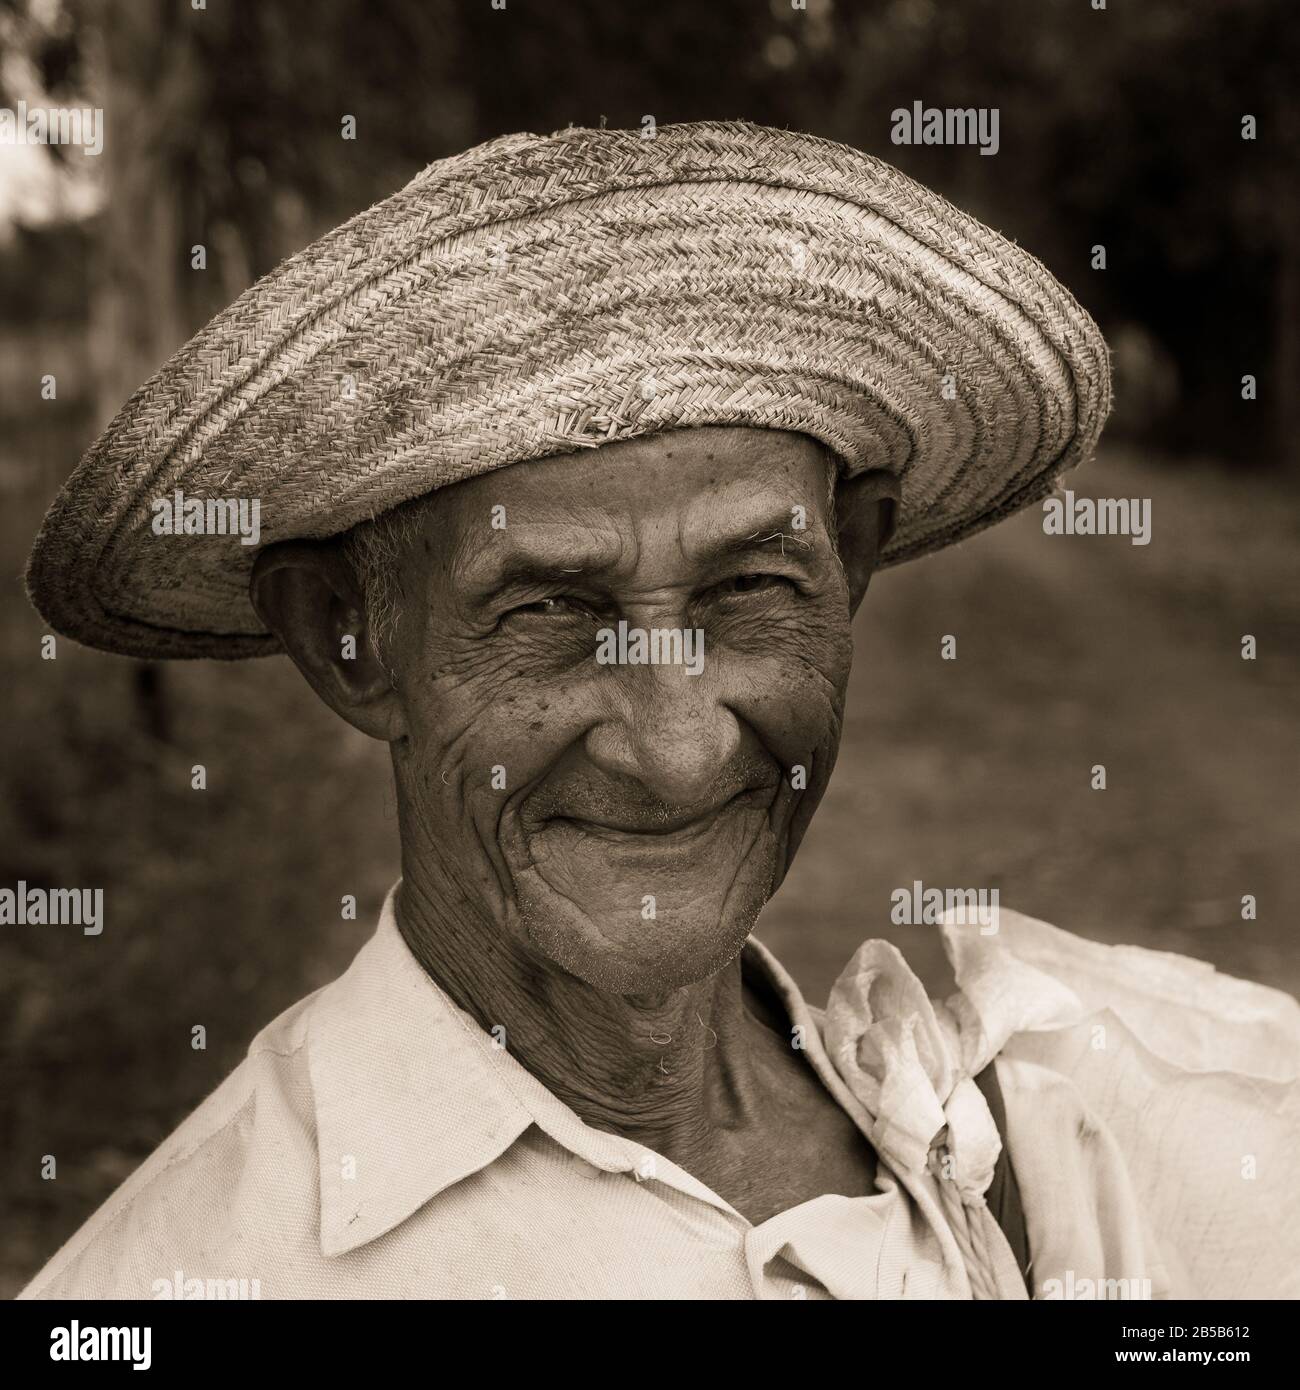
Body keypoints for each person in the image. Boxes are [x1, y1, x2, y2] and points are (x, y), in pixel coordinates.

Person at [22, 120, 1298, 1300]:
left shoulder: (1068, 1148)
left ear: (851, 562)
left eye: (750, 587)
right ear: (348, 642)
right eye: (547, 613)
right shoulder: (176, 1278)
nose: (681, 746)